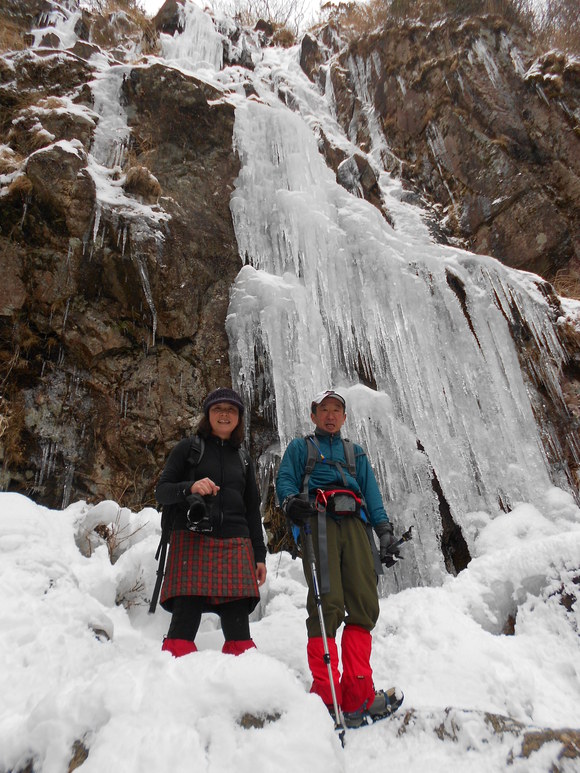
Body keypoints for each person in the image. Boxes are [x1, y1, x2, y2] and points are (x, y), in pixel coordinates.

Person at [276, 389, 403, 727]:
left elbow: (371, 493)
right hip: (319, 523)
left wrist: (385, 532)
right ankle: (326, 694)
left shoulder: (355, 453)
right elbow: (285, 480)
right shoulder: (300, 448)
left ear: (344, 418)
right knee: (326, 602)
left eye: (337, 410)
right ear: (313, 414)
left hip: (356, 527)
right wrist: (290, 502)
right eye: (324, 410)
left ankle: (358, 694)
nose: (330, 415)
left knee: (364, 603)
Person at [156, 387, 267, 657]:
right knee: (185, 616)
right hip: (192, 540)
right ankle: (174, 683)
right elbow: (162, 491)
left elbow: (252, 510)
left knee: (238, 622)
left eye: (231, 410)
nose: (225, 414)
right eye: (218, 409)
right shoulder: (188, 448)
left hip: (236, 544)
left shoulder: (243, 459)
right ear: (208, 415)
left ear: (239, 418)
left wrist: (259, 556)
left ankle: (242, 684)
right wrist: (190, 487)